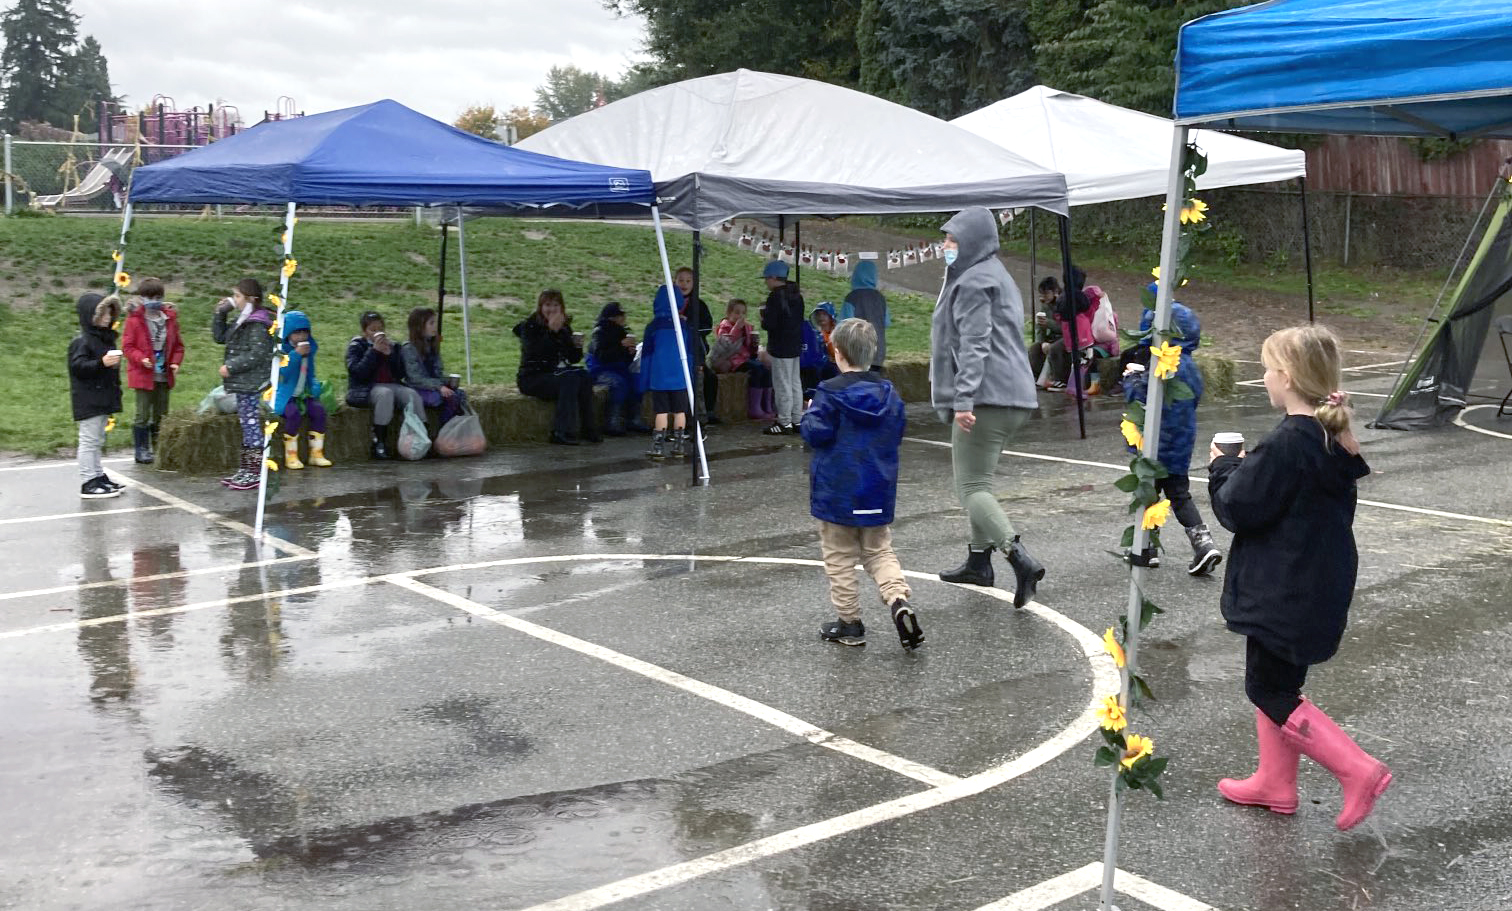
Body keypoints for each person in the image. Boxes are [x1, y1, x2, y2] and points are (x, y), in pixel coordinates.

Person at [1208, 325, 1388, 832]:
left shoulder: (1288, 441)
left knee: (1267, 688)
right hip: (1315, 579)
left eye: (1267, 369)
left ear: (1285, 378)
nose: (1263, 378)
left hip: (1283, 585)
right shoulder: (1332, 433)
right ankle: (1275, 782)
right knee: (1280, 682)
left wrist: (1223, 469)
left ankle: (1358, 770)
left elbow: (1239, 509)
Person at [929, 207, 1045, 608]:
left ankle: (1019, 558)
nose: (945, 246)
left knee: (971, 487)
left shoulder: (975, 281)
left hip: (987, 397)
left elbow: (973, 344)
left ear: (972, 242)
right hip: (1013, 396)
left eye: (952, 240)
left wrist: (963, 399)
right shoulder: (996, 274)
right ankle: (979, 562)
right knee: (979, 479)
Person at [800, 318, 922, 651]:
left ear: (837, 353)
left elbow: (816, 434)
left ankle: (850, 622)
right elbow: (896, 432)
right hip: (876, 487)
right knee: (879, 551)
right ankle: (897, 599)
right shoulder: (889, 393)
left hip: (836, 490)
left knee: (839, 557)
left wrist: (809, 413)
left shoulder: (828, 393)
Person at [1123, 283, 1221, 575]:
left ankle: (1145, 547)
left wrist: (1131, 380)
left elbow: (1143, 400)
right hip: (1180, 443)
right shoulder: (1188, 365)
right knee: (1179, 495)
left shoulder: (1161, 365)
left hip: (1155, 444)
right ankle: (1203, 543)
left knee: (1147, 495)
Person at [212, 279, 275, 491]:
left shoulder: (257, 323)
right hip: (243, 383)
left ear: (252, 300)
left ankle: (255, 472)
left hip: (251, 382)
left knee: (251, 427)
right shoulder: (243, 319)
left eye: (238, 296)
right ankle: (246, 468)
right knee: (246, 426)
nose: (234, 300)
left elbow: (258, 353)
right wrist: (220, 313)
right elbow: (221, 337)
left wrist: (232, 366)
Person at [513, 290, 597, 445]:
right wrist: (551, 331)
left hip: (555, 373)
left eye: (555, 305)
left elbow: (572, 359)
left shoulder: (564, 327)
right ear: (540, 307)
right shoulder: (529, 326)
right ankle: (561, 431)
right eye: (547, 305)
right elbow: (534, 352)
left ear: (562, 308)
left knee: (584, 376)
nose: (551, 309)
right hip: (532, 377)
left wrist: (577, 346)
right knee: (569, 379)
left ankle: (588, 428)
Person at [120, 278, 184, 464]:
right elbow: (128, 347)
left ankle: (159, 446)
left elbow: (178, 346)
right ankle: (141, 449)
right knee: (142, 414)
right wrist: (142, 359)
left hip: (164, 374)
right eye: (150, 297)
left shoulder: (169, 319)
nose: (154, 301)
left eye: (158, 297)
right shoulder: (134, 321)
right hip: (143, 374)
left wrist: (175, 362)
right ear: (142, 298)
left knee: (162, 413)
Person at [68, 292, 124, 499]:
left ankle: (98, 476)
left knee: (97, 439)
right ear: (90, 316)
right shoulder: (82, 341)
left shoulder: (104, 338)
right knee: (89, 440)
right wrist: (102, 363)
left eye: (109, 314)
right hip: (89, 398)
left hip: (103, 397)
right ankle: (88, 481)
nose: (107, 318)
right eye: (102, 315)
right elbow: (78, 367)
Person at [346, 310, 422, 460]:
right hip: (365, 388)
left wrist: (391, 356)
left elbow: (401, 374)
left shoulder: (394, 346)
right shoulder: (356, 346)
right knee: (385, 394)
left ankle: (422, 437)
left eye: (380, 329)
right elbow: (358, 373)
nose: (377, 333)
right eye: (373, 330)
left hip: (391, 385)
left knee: (411, 395)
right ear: (364, 332)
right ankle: (379, 442)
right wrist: (373, 352)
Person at [639, 284, 696, 459]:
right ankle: (679, 446)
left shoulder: (653, 327)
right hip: (680, 377)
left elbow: (646, 355)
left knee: (661, 412)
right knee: (680, 411)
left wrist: (643, 380)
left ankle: (658, 448)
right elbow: (690, 352)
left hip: (659, 377)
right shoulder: (684, 326)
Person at [272, 311, 332, 470]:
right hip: (284, 395)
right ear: (288, 334)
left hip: (302, 393)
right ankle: (291, 455)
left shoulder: (309, 350)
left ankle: (316, 453)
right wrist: (296, 355)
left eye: (305, 332)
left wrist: (314, 387)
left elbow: (310, 372)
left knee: (318, 411)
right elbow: (282, 374)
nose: (302, 335)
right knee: (293, 415)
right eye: (297, 332)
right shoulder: (281, 350)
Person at [403, 307, 469, 429]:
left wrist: (448, 382)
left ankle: (452, 429)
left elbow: (437, 372)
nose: (435, 327)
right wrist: (439, 386)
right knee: (444, 397)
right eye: (431, 323)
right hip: (417, 388)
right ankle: (445, 429)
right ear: (419, 326)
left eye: (435, 323)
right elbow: (415, 377)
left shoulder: (432, 345)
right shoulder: (409, 349)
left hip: (432, 386)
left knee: (460, 394)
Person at [760, 260, 805, 434]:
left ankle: (784, 421)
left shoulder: (775, 297)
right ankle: (797, 419)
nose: (766, 282)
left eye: (766, 279)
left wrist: (763, 317)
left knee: (782, 384)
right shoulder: (796, 295)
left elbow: (770, 323)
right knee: (795, 382)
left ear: (773, 278)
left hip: (780, 346)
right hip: (794, 344)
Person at [712, 298, 774, 421]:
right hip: (732, 361)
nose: (740, 316)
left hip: (745, 358)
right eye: (737, 312)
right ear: (729, 313)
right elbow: (726, 343)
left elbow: (750, 351)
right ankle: (754, 408)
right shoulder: (724, 327)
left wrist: (754, 344)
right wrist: (736, 329)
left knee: (766, 369)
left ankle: (767, 406)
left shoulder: (747, 327)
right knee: (757, 370)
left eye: (743, 313)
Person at [586, 301, 640, 436]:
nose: (623, 318)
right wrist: (621, 346)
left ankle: (632, 418)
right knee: (618, 384)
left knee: (635, 381)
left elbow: (623, 359)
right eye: (620, 316)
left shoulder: (621, 332)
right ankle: (612, 420)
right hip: (600, 370)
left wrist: (630, 353)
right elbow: (602, 356)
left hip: (617, 368)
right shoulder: (600, 332)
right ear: (612, 318)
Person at [674, 267, 719, 424]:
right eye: (681, 280)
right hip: (674, 352)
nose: (684, 284)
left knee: (710, 378)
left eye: (688, 281)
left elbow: (707, 326)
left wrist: (690, 325)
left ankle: (708, 411)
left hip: (694, 351)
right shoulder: (669, 303)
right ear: (675, 281)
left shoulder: (698, 304)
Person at [839, 255, 889, 372]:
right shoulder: (880, 298)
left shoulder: (852, 298)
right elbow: (886, 322)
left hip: (857, 352)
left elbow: (843, 324)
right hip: (878, 350)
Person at [1028, 277, 1068, 390]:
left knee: (1055, 348)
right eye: (1041, 294)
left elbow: (1067, 327)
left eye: (1045, 294)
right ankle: (1034, 377)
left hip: (1066, 336)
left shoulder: (1064, 303)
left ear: (1055, 291)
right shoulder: (1045, 305)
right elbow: (1040, 328)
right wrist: (1041, 342)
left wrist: (1049, 323)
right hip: (1053, 337)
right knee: (1034, 348)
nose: (1042, 298)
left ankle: (1058, 379)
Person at [801, 302, 840, 394]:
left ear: (831, 316)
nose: (821, 317)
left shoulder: (839, 333)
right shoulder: (815, 334)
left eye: (824, 314)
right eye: (818, 315)